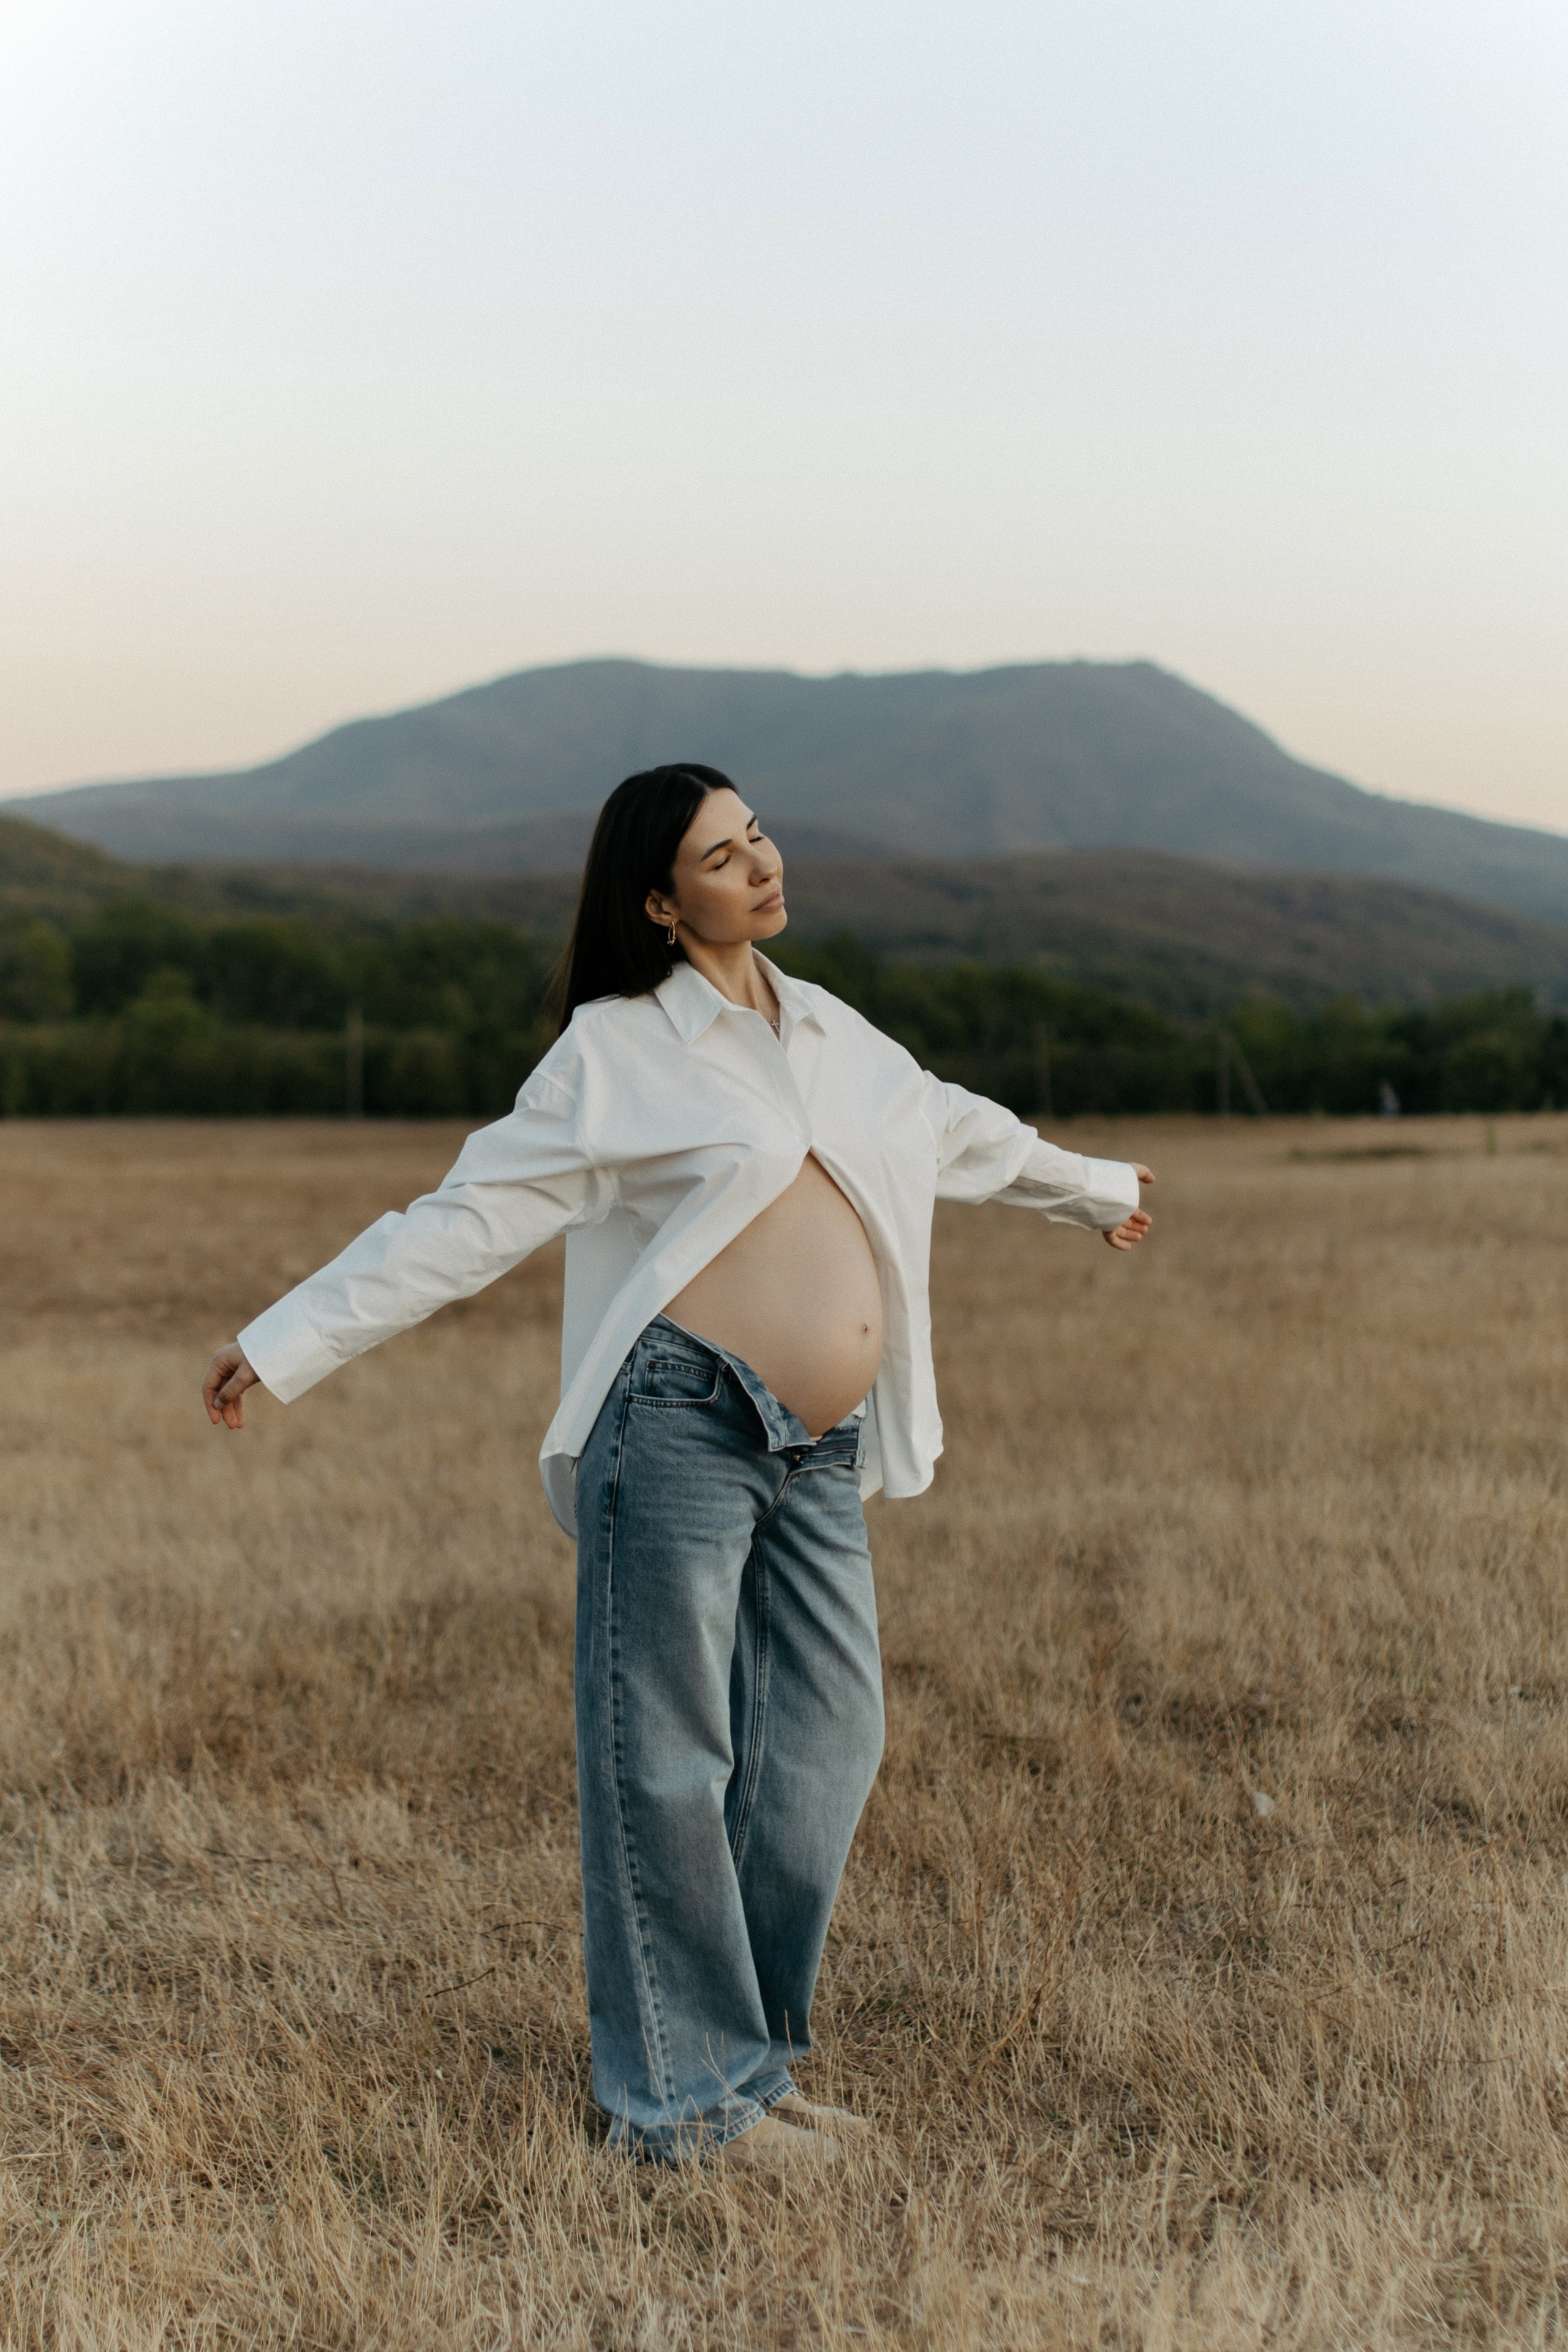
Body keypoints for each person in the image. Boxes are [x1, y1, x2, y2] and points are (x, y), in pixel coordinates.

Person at [202, 764, 1153, 2173]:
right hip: (679, 1427)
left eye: (756, 833)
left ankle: (748, 2068)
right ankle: (681, 2104)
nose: (759, 862)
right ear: (659, 902)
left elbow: (953, 1125)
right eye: (720, 855)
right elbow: (462, 1220)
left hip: (816, 1445)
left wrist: (1096, 1191)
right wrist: (285, 1341)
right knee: (666, 1759)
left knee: (828, 1742)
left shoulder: (831, 1030)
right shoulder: (617, 1049)